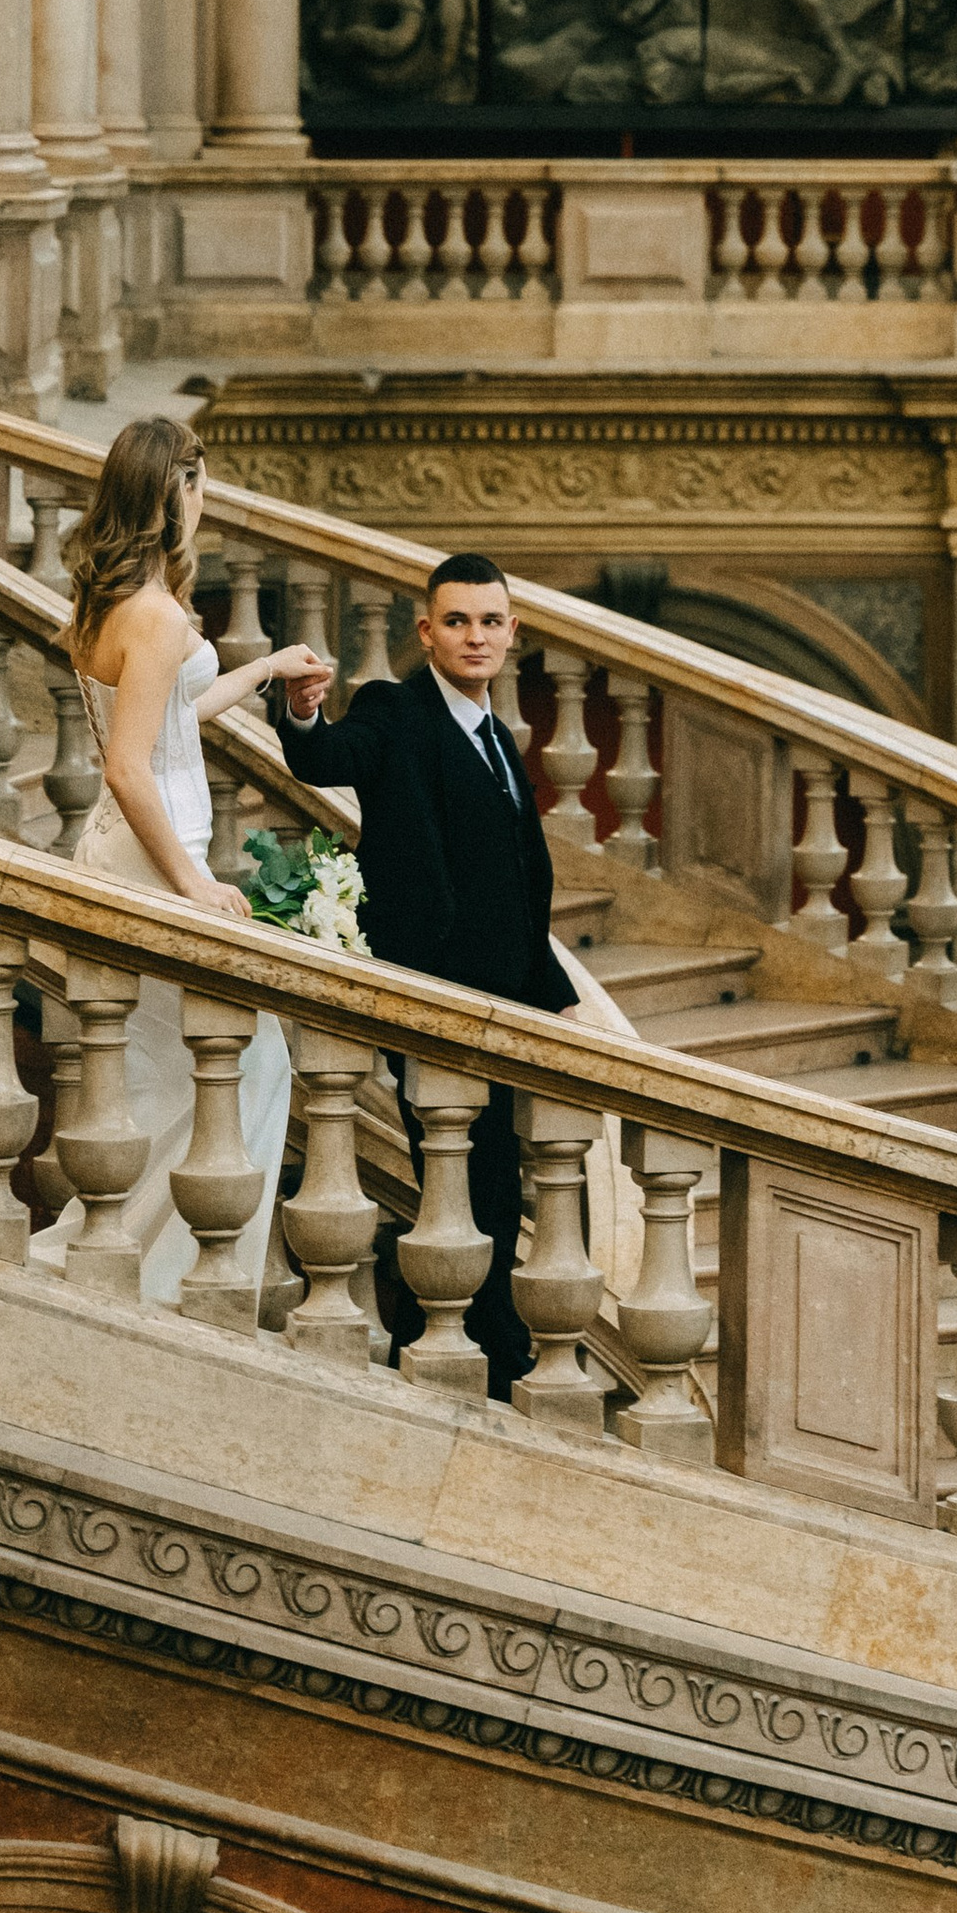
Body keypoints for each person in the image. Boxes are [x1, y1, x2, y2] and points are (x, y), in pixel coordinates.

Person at [275, 551, 570, 1396]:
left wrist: (558, 996)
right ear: (426, 632)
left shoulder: (502, 742)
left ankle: (464, 1334)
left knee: (497, 1180)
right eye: (457, 621)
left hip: (508, 1003)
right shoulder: (396, 711)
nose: (474, 636)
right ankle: (487, 1349)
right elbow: (329, 757)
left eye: (489, 622)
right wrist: (302, 714)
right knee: (461, 1173)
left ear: (512, 634)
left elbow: (517, 886)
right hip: (436, 996)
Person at [65, 415, 324, 1303]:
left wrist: (259, 673)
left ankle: (135, 1267)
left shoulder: (113, 602)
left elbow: (167, 716)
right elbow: (128, 765)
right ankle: (182, 1285)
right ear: (172, 493)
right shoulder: (158, 614)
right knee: (249, 1062)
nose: (204, 499)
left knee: (165, 1085)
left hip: (122, 848)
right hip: (150, 859)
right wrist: (194, 884)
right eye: (198, 482)